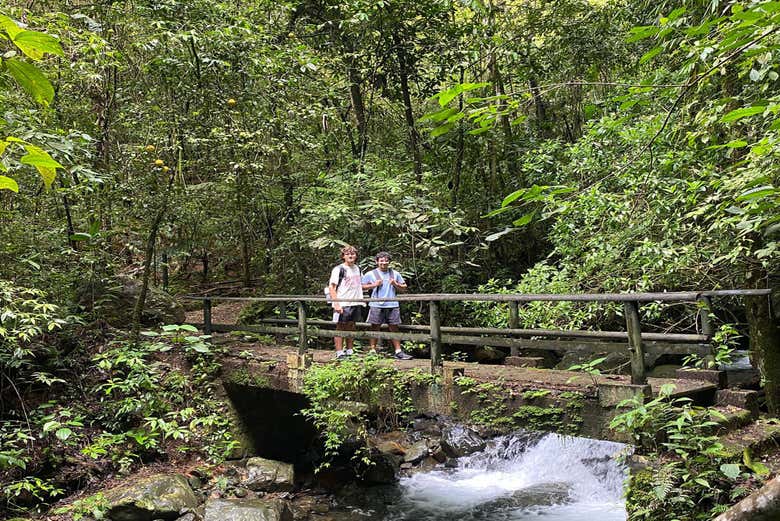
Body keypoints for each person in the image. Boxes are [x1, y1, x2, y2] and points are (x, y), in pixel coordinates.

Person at [361, 252, 413, 360]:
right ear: (376, 262)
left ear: (389, 262)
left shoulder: (395, 273)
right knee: (375, 327)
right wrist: (374, 285)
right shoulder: (371, 274)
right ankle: (372, 350)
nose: (384, 263)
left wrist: (395, 284)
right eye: (381, 261)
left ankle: (398, 351)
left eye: (386, 260)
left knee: (394, 327)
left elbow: (404, 287)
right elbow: (361, 286)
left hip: (392, 304)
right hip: (376, 304)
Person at [328, 245, 366, 360]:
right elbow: (332, 287)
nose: (350, 255)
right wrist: (336, 303)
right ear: (343, 256)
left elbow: (361, 285)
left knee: (351, 326)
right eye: (347, 254)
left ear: (356, 256)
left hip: (355, 302)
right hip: (343, 302)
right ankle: (339, 352)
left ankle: (350, 351)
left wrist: (375, 284)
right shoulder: (339, 269)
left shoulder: (357, 268)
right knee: (340, 327)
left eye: (353, 253)